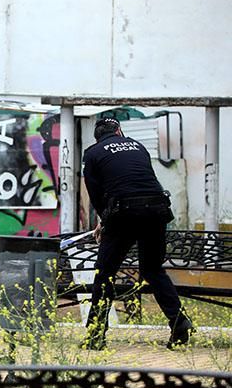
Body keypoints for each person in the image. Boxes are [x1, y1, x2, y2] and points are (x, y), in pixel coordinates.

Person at [81, 117, 192, 350]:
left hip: (125, 213)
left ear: (97, 137)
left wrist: (104, 221)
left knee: (105, 275)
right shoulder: (138, 146)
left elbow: (96, 193)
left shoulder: (93, 153)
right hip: (157, 210)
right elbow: (143, 180)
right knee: (152, 270)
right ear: (119, 131)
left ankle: (95, 334)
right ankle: (179, 322)